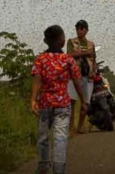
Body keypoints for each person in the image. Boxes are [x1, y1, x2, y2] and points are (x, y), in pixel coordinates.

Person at [31, 25, 87, 174]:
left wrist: (33, 100)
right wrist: (83, 100)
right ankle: (59, 169)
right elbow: (76, 82)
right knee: (60, 138)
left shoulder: (40, 59)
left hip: (44, 104)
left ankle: (43, 166)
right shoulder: (68, 59)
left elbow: (36, 79)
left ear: (45, 41)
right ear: (62, 41)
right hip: (63, 105)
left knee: (43, 136)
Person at [67, 19, 96, 135]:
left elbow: (94, 59)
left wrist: (94, 71)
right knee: (71, 102)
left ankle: (79, 127)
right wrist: (85, 53)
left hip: (87, 77)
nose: (79, 30)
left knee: (86, 103)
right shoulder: (71, 41)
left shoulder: (91, 44)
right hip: (74, 76)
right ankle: (70, 129)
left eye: (82, 28)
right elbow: (69, 55)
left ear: (86, 30)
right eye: (78, 28)